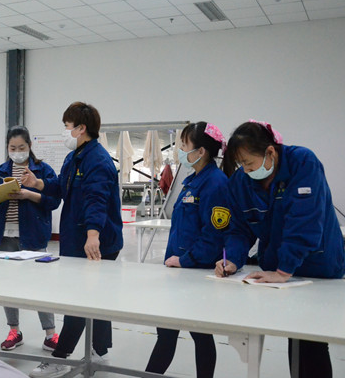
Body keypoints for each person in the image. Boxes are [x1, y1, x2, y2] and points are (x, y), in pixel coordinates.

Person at [216, 120, 345, 378]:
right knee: (295, 335)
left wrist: (284, 269)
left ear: (271, 152)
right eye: (242, 165)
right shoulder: (241, 182)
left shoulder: (303, 163)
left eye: (249, 163)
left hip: (318, 266)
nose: (246, 171)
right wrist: (232, 260)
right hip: (278, 272)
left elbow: (304, 221)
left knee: (312, 339)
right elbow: (239, 229)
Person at [21, 102, 123, 378]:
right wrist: (37, 183)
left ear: (81, 128)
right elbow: (61, 187)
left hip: (95, 241)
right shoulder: (75, 156)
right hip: (78, 237)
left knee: (79, 299)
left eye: (67, 126)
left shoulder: (97, 160)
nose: (64, 131)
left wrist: (93, 235)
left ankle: (60, 357)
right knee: (95, 299)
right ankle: (100, 351)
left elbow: (97, 200)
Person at [145, 122, 229, 378]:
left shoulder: (215, 184)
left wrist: (185, 260)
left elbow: (214, 236)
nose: (180, 150)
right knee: (168, 332)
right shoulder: (192, 180)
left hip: (196, 273)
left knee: (198, 335)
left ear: (201, 151)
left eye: (184, 145)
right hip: (179, 271)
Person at [0, 126, 61, 352]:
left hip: (33, 235)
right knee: (7, 286)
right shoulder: (0, 171)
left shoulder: (43, 170)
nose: (17, 152)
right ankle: (14, 331)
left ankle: (50, 334)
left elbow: (54, 201)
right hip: (4, 236)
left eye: (21, 147)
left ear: (29, 146)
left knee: (40, 286)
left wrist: (29, 194)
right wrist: (1, 194)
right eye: (12, 148)